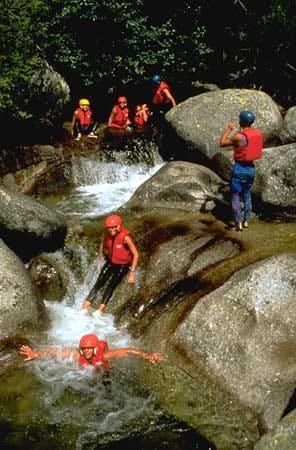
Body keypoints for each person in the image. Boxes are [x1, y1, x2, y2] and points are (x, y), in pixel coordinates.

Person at [80, 214, 139, 318]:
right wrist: (100, 256)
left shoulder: (125, 238)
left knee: (111, 286)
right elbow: (102, 244)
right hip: (110, 262)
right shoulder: (107, 234)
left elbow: (136, 254)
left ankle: (100, 310)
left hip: (122, 265)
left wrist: (132, 272)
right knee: (99, 283)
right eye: (109, 228)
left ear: (118, 226)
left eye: (113, 227)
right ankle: (85, 307)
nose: (111, 229)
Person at [219, 110, 263, 231]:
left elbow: (222, 143)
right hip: (251, 169)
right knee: (247, 194)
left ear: (241, 121)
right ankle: (246, 221)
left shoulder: (239, 136)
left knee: (235, 196)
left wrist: (229, 129)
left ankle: (237, 222)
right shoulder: (257, 133)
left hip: (240, 168)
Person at [19, 334, 166, 369]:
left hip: (105, 370)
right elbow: (55, 351)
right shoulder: (78, 354)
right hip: (90, 372)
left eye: (89, 349)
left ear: (95, 349)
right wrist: (36, 354)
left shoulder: (104, 356)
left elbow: (127, 351)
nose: (87, 352)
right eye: (84, 349)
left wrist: (147, 356)